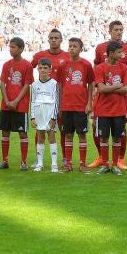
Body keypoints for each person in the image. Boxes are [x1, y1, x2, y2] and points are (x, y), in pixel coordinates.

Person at [91, 20, 127, 171]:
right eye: (116, 29)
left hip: (121, 101)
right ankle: (102, 158)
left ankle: (119, 159)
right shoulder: (100, 48)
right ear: (110, 31)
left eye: (121, 29)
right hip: (102, 100)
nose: (119, 32)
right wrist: (98, 89)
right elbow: (96, 72)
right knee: (98, 127)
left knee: (120, 128)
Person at [30, 29, 70, 164]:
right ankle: (38, 159)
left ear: (61, 40)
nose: (54, 40)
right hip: (42, 98)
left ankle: (65, 157)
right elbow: (30, 68)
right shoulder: (39, 55)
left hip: (61, 98)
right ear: (48, 39)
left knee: (62, 128)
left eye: (56, 38)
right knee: (40, 128)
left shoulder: (67, 56)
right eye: (51, 37)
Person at [58, 37, 95, 173]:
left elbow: (91, 83)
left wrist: (89, 102)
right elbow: (60, 86)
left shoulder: (86, 65)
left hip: (80, 106)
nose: (72, 48)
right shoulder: (63, 65)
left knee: (82, 135)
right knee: (68, 134)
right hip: (67, 106)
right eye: (70, 46)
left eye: (75, 46)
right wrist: (60, 104)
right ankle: (68, 164)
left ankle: (82, 164)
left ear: (80, 49)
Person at [0, 37, 33, 171]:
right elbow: (2, 83)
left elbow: (26, 84)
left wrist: (16, 101)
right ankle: (4, 160)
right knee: (5, 132)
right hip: (6, 105)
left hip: (21, 105)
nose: (11, 50)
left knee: (22, 133)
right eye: (10, 47)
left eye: (13, 47)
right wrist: (7, 101)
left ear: (21, 49)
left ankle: (23, 162)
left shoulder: (27, 65)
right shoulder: (7, 65)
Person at [31, 58, 60, 172]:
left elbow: (56, 101)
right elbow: (32, 101)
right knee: (40, 137)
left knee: (51, 136)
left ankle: (54, 164)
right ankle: (40, 164)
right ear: (37, 69)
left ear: (50, 70)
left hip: (50, 112)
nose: (42, 70)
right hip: (38, 112)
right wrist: (32, 117)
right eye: (40, 68)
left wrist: (54, 117)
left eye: (45, 68)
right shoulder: (34, 84)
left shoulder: (54, 84)